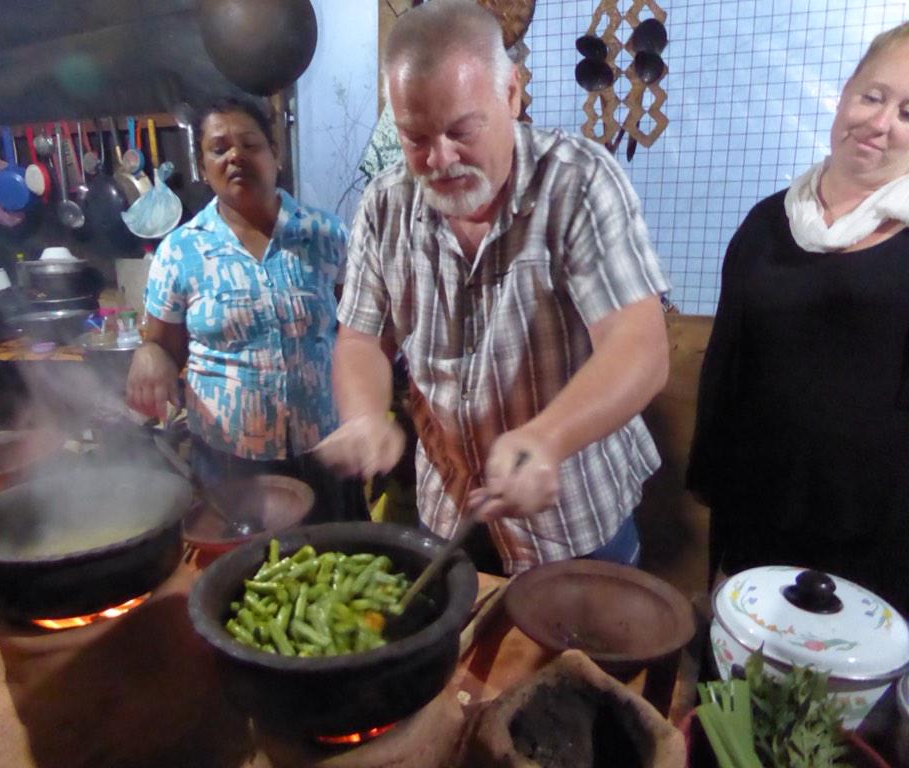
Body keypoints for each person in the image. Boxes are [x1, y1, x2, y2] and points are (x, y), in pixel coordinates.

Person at [314, 0, 671, 575]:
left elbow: (641, 346)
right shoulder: (385, 204)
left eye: (461, 130)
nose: (440, 159)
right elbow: (361, 339)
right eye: (415, 138)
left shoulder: (578, 182)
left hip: (573, 520)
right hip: (450, 514)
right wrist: (363, 415)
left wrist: (548, 438)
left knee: (580, 665)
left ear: (510, 94)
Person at [687, 22, 909, 614]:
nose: (881, 122)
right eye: (872, 96)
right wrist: (712, 483)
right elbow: (726, 365)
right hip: (757, 509)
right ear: (845, 94)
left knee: (837, 696)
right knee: (733, 682)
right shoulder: (767, 223)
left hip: (878, 533)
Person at [127, 98, 364, 522]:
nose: (235, 156)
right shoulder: (180, 251)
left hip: (325, 452)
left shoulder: (326, 235)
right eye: (219, 149)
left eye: (249, 144)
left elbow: (356, 331)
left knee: (338, 574)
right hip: (229, 465)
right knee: (247, 580)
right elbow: (161, 347)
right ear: (202, 166)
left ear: (275, 153)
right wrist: (148, 354)